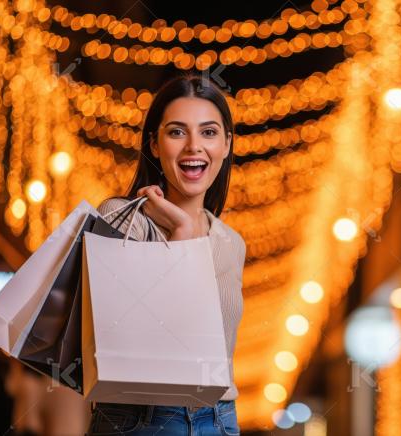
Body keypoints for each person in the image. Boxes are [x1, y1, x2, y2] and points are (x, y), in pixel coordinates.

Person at [90, 74, 245, 435]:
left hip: (219, 420)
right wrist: (182, 234)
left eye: (209, 132)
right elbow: (129, 331)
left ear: (226, 144)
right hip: (140, 419)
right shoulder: (121, 217)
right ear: (155, 145)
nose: (194, 146)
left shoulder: (231, 242)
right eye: (177, 132)